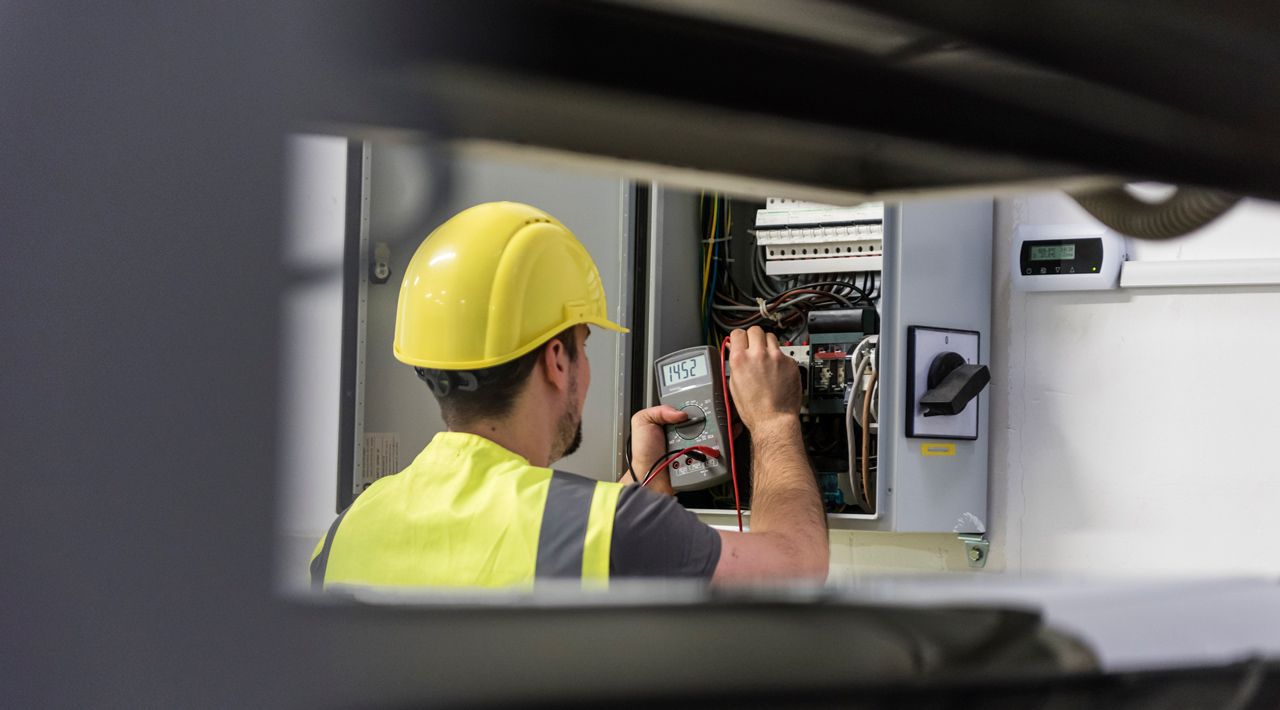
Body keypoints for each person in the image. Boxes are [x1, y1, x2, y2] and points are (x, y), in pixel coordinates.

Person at [310, 201, 828, 589]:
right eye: (584, 343)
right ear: (557, 360)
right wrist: (773, 420)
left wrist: (642, 480)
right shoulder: (611, 528)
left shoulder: (343, 535)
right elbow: (797, 571)